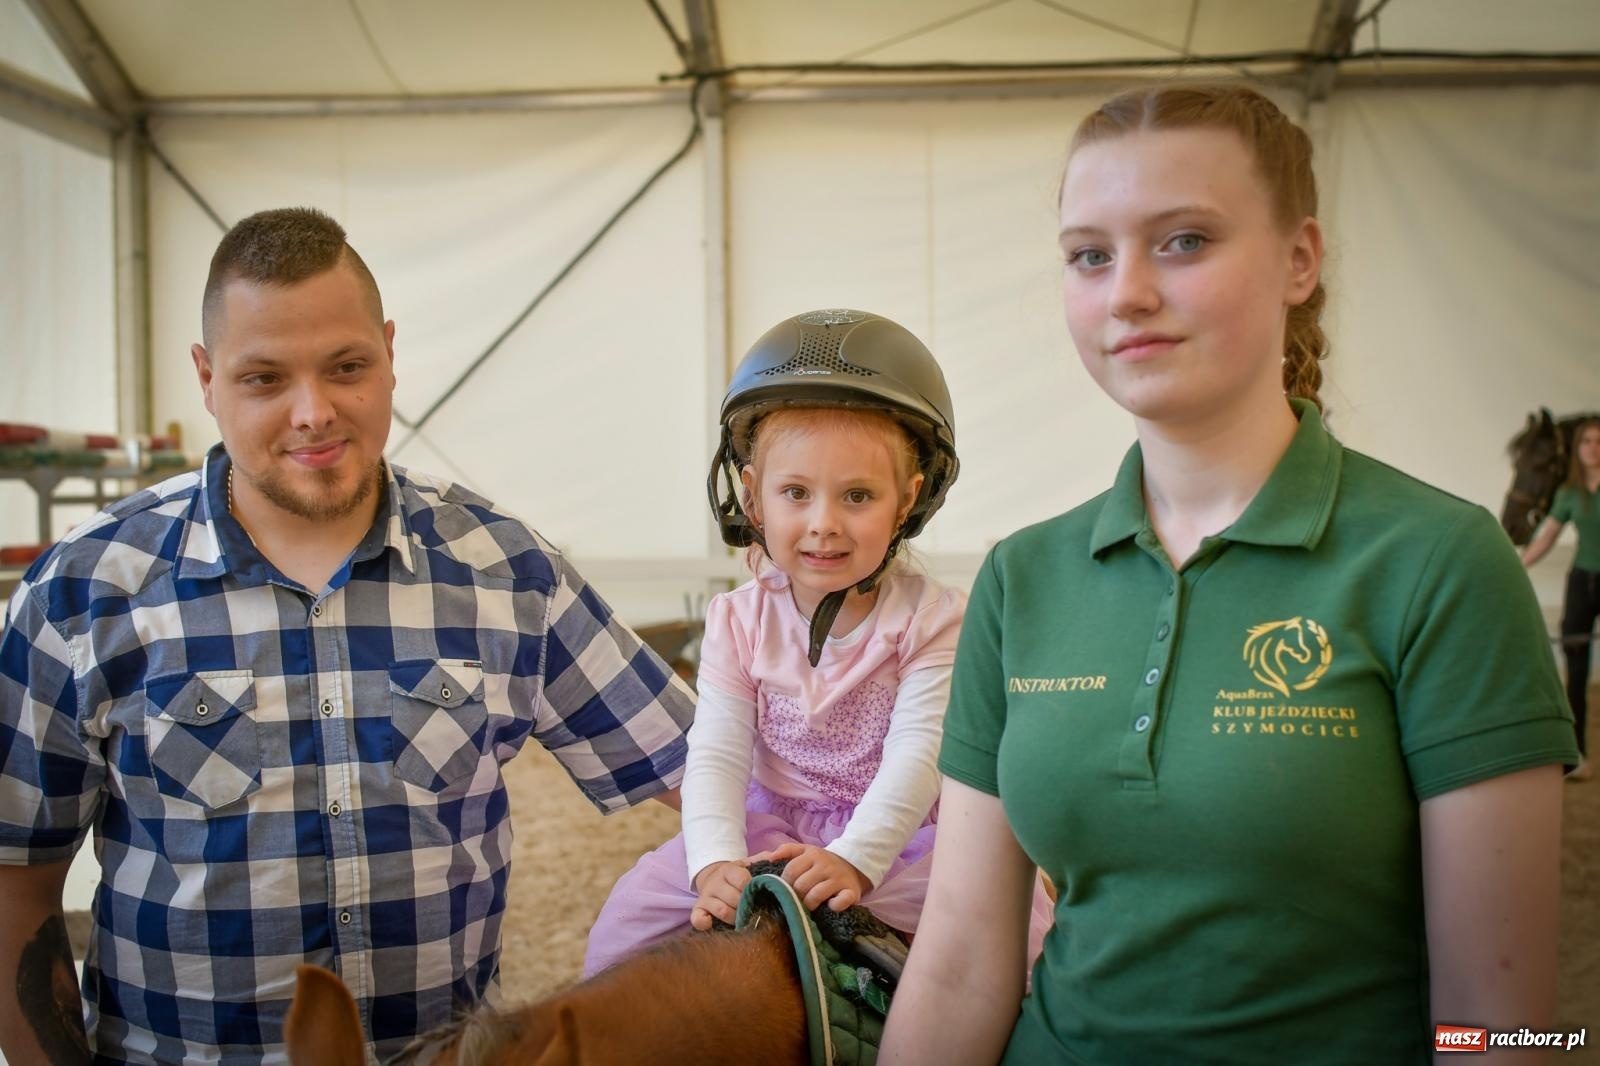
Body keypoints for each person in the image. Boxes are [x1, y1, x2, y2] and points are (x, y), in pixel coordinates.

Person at [881, 84, 1577, 1064]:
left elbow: (1503, 1023)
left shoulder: (1439, 562)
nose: (1123, 291)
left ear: (1300, 259)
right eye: (1089, 254)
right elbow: (958, 964)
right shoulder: (1018, 578)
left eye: (1182, 241)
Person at [0, 207, 694, 1065]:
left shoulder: (508, 574)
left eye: (347, 367)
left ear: (390, 354)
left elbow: (702, 771)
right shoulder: (85, 593)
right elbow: (16, 885)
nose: (313, 413)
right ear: (206, 376)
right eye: (263, 379)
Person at [583, 309, 1052, 978]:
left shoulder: (933, 619)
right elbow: (716, 750)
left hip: (904, 836)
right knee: (622, 926)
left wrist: (857, 858)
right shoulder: (736, 618)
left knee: (1010, 942)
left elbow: (919, 756)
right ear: (753, 499)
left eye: (857, 495)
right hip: (770, 826)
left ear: (907, 500)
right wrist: (714, 856)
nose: (823, 524)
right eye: (795, 493)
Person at [1523, 416, 1600, 780]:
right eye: (1587, 442)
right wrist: (1517, 565)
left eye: (1599, 442)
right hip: (1583, 583)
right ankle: (1579, 755)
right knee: (1577, 668)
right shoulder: (1569, 493)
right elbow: (1547, 535)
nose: (1593, 449)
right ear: (1577, 449)